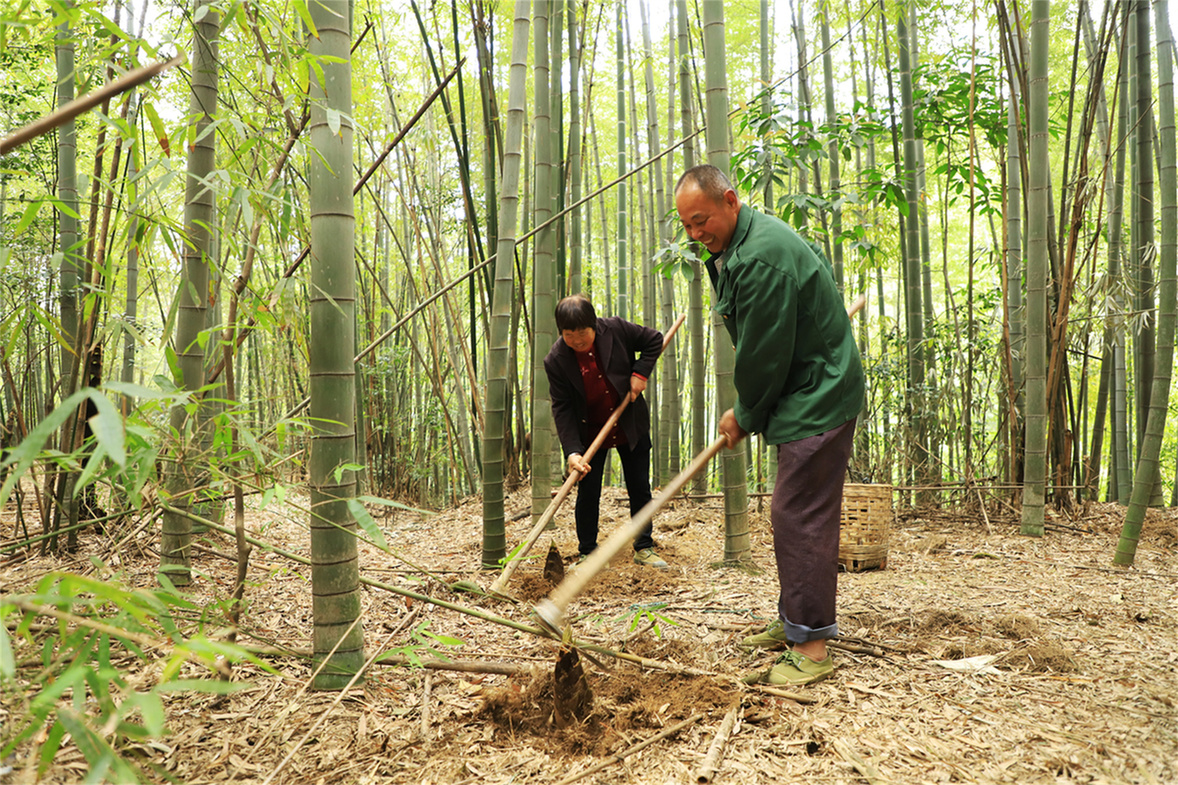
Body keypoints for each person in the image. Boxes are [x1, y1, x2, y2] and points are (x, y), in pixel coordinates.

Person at [674, 164, 865, 686]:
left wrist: (745, 414)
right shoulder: (743, 243)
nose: (695, 235)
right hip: (804, 389)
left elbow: (763, 354)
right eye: (686, 226)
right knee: (792, 512)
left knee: (798, 514)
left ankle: (813, 649)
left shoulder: (761, 257)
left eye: (701, 221)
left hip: (818, 394)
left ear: (730, 201)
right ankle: (794, 621)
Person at [543, 294, 668, 568]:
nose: (577, 340)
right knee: (588, 493)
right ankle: (589, 552)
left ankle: (644, 547)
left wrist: (640, 373)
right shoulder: (556, 360)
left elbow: (654, 340)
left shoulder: (616, 329)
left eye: (583, 333)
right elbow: (562, 408)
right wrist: (573, 452)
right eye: (568, 334)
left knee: (639, 486)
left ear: (594, 325)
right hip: (590, 432)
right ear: (560, 332)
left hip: (628, 421)